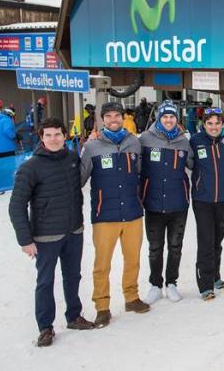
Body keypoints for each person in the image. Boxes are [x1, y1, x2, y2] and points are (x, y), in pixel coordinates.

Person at [8, 118, 94, 347]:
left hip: (74, 230)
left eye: (57, 134)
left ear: (64, 135)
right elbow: (16, 205)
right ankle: (45, 327)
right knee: (45, 281)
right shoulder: (31, 167)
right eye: (48, 135)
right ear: (41, 137)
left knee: (73, 276)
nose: (54, 139)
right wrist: (25, 240)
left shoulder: (72, 159)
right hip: (46, 236)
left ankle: (74, 315)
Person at [80, 101, 150, 328]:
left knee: (133, 259)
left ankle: (131, 297)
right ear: (102, 120)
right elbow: (80, 179)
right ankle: (102, 306)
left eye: (117, 116)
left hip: (131, 212)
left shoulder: (134, 143)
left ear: (122, 118)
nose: (113, 120)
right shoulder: (92, 147)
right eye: (108, 116)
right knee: (102, 264)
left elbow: (140, 172)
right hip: (105, 215)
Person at [139, 101, 194, 303]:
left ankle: (172, 282)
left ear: (176, 119)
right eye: (165, 117)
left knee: (175, 246)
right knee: (155, 247)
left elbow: (193, 163)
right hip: (153, 203)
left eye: (172, 117)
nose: (169, 120)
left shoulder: (183, 141)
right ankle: (155, 284)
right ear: (158, 118)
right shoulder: (145, 139)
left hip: (178, 202)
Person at [189, 107, 224, 300]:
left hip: (223, 197)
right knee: (206, 241)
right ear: (204, 124)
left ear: (223, 124)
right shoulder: (196, 141)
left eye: (217, 123)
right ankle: (205, 285)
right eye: (210, 123)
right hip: (203, 199)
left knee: (218, 240)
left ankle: (215, 276)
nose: (214, 127)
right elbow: (189, 164)